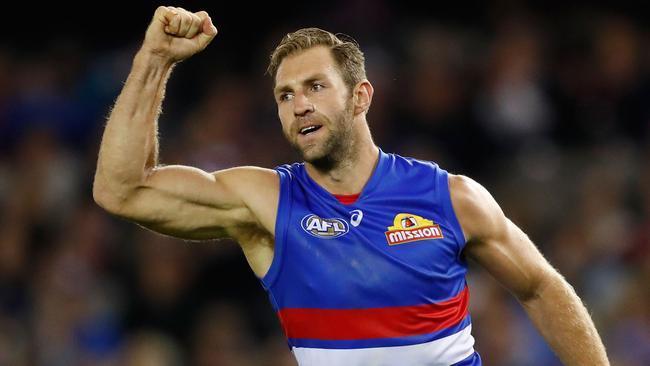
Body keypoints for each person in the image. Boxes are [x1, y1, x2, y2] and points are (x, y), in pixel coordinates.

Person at [93, 6, 610, 366]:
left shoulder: (450, 197)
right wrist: (155, 59)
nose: (299, 105)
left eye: (315, 87)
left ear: (360, 97)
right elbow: (122, 190)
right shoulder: (267, 203)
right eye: (285, 95)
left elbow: (540, 286)